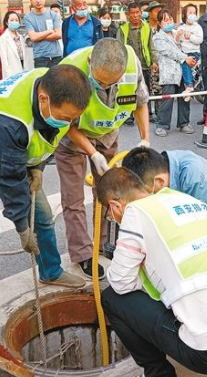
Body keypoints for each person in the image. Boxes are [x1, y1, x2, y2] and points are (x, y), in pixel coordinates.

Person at [0, 65, 91, 340]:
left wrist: (38, 166)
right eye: (63, 117)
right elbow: (9, 177)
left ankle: (50, 270)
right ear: (43, 99)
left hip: (16, 156)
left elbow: (48, 138)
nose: (66, 123)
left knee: (43, 216)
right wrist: (21, 229)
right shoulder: (9, 120)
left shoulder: (55, 87)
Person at [98, 167, 207, 377]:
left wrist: (138, 271)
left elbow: (120, 282)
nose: (114, 219)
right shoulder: (184, 200)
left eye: (110, 215)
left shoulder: (135, 213)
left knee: (112, 298)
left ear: (115, 205)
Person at [57, 38, 151, 279]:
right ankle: (83, 254)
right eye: (100, 82)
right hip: (73, 138)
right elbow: (65, 122)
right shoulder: (71, 70)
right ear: (90, 63)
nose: (107, 86)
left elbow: (140, 103)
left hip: (108, 135)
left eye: (113, 82)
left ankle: (104, 243)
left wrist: (145, 139)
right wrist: (92, 152)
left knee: (108, 193)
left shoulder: (131, 63)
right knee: (73, 198)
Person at [153, 10, 197, 137]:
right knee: (168, 99)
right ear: (160, 23)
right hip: (169, 73)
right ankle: (162, 125)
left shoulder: (176, 33)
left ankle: (184, 123)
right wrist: (185, 58)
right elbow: (169, 51)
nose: (169, 22)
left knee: (184, 97)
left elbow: (187, 46)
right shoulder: (158, 37)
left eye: (170, 19)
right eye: (165, 20)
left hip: (183, 71)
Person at [117, 2, 157, 126]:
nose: (135, 15)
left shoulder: (146, 27)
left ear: (141, 12)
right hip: (129, 67)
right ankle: (128, 116)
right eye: (132, 13)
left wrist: (154, 61)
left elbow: (151, 46)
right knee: (128, 91)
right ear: (128, 15)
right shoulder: (122, 29)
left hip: (144, 65)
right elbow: (119, 47)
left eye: (137, 12)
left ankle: (149, 113)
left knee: (145, 90)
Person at [23, 0, 63, 68]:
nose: (38, 1)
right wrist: (49, 31)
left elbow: (58, 35)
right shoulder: (28, 17)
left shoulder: (53, 15)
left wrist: (38, 36)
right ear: (31, 1)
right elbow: (33, 38)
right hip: (40, 58)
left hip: (56, 56)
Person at [176, 4, 202, 101]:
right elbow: (177, 42)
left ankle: (189, 86)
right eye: (190, 12)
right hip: (184, 53)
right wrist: (178, 36)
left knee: (185, 64)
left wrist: (190, 37)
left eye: (194, 13)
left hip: (194, 53)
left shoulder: (197, 27)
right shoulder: (181, 27)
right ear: (184, 15)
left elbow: (200, 40)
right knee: (185, 67)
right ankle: (190, 87)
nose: (192, 15)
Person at [0, 11, 28, 77]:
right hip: (11, 72)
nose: (14, 22)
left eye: (16, 20)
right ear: (7, 22)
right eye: (12, 20)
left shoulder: (20, 37)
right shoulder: (3, 38)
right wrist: (8, 75)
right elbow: (4, 61)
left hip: (22, 69)